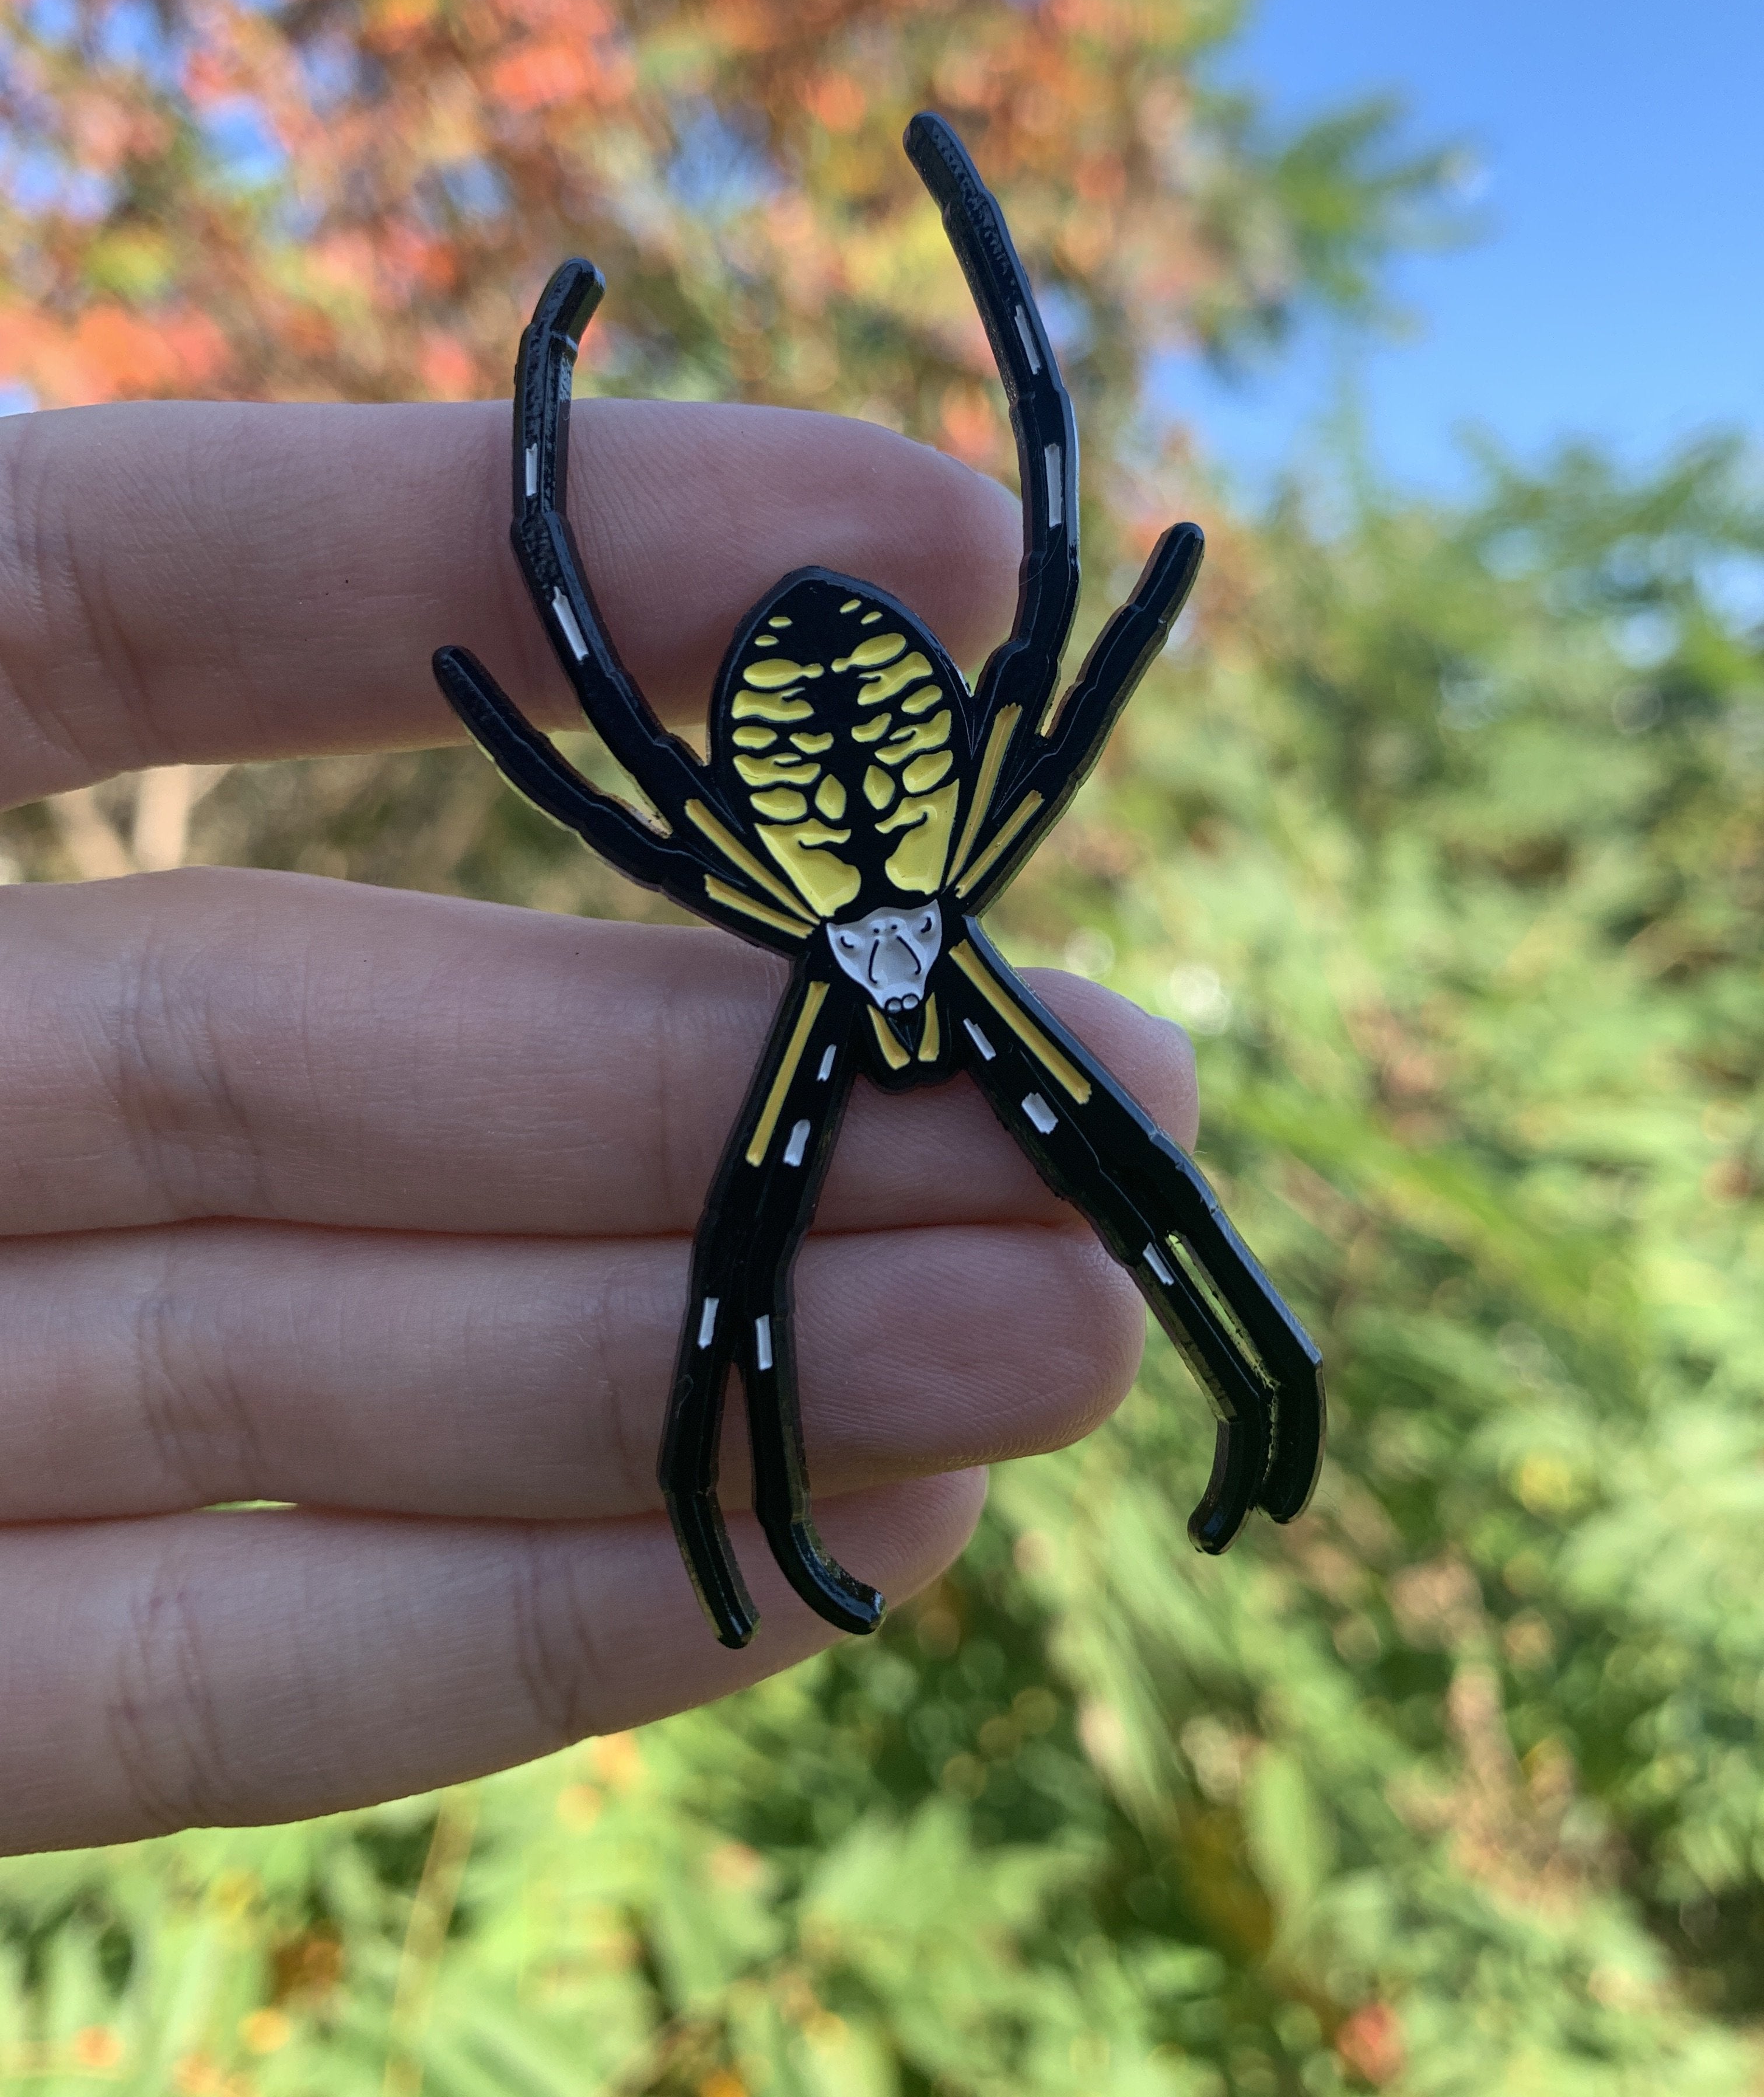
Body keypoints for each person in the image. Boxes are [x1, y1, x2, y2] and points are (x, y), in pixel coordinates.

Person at [0, 394, 1199, 1853]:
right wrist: (512, 708)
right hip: (895, 829)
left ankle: (1240, 1389)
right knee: (758, 1257)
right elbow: (632, 769)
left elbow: (648, 779)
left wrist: (516, 723)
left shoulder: (802, 901)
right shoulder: (917, 890)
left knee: (909, 1214)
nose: (897, 1005)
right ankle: (733, 1512)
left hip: (830, 853)